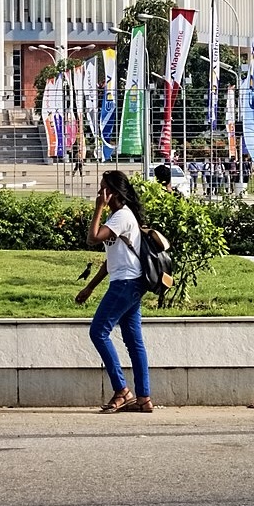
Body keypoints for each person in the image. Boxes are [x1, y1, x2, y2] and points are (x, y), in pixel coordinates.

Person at [75, 170, 153, 414]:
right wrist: (90, 287)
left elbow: (92, 238)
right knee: (133, 341)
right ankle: (143, 398)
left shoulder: (121, 217)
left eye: (102, 189)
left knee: (98, 332)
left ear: (113, 193)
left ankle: (122, 391)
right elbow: (111, 261)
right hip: (128, 282)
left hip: (126, 283)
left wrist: (98, 208)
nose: (99, 193)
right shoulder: (120, 218)